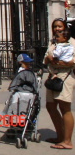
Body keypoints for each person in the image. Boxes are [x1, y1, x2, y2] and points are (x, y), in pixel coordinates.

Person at [44, 18, 75, 150]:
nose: (57, 28)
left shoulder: (72, 41)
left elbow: (73, 62)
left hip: (65, 77)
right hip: (52, 77)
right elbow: (45, 58)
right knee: (50, 106)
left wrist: (59, 62)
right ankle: (60, 135)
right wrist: (48, 59)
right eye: (55, 26)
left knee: (64, 107)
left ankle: (67, 141)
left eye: (60, 26)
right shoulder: (52, 42)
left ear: (65, 28)